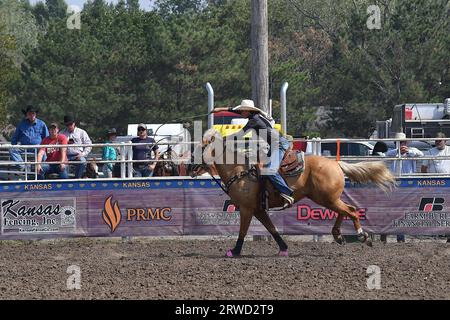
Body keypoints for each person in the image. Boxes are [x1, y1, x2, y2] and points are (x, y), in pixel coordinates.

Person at [212, 99, 295, 209]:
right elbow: (236, 111)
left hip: (279, 145)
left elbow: (240, 134)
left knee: (269, 171)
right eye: (240, 111)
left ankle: (288, 194)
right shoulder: (254, 116)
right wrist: (220, 109)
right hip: (274, 145)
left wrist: (221, 139)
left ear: (247, 111)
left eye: (242, 111)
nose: (240, 113)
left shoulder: (254, 121)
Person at [9, 105, 49, 171]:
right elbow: (15, 137)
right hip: (24, 146)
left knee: (43, 152)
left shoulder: (42, 124)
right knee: (12, 149)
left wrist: (44, 146)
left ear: (35, 114)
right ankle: (23, 167)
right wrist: (14, 143)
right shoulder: (21, 124)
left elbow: (47, 138)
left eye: (33, 113)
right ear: (27, 114)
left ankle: (43, 168)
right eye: (29, 113)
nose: (31, 115)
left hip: (37, 146)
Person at [60, 114, 92, 178]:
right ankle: (65, 182)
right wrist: (62, 157)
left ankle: (77, 179)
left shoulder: (81, 132)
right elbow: (57, 145)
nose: (69, 126)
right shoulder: (61, 133)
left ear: (74, 123)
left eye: (70, 124)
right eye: (67, 125)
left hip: (77, 155)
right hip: (65, 156)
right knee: (62, 165)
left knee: (83, 162)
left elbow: (89, 145)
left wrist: (82, 154)